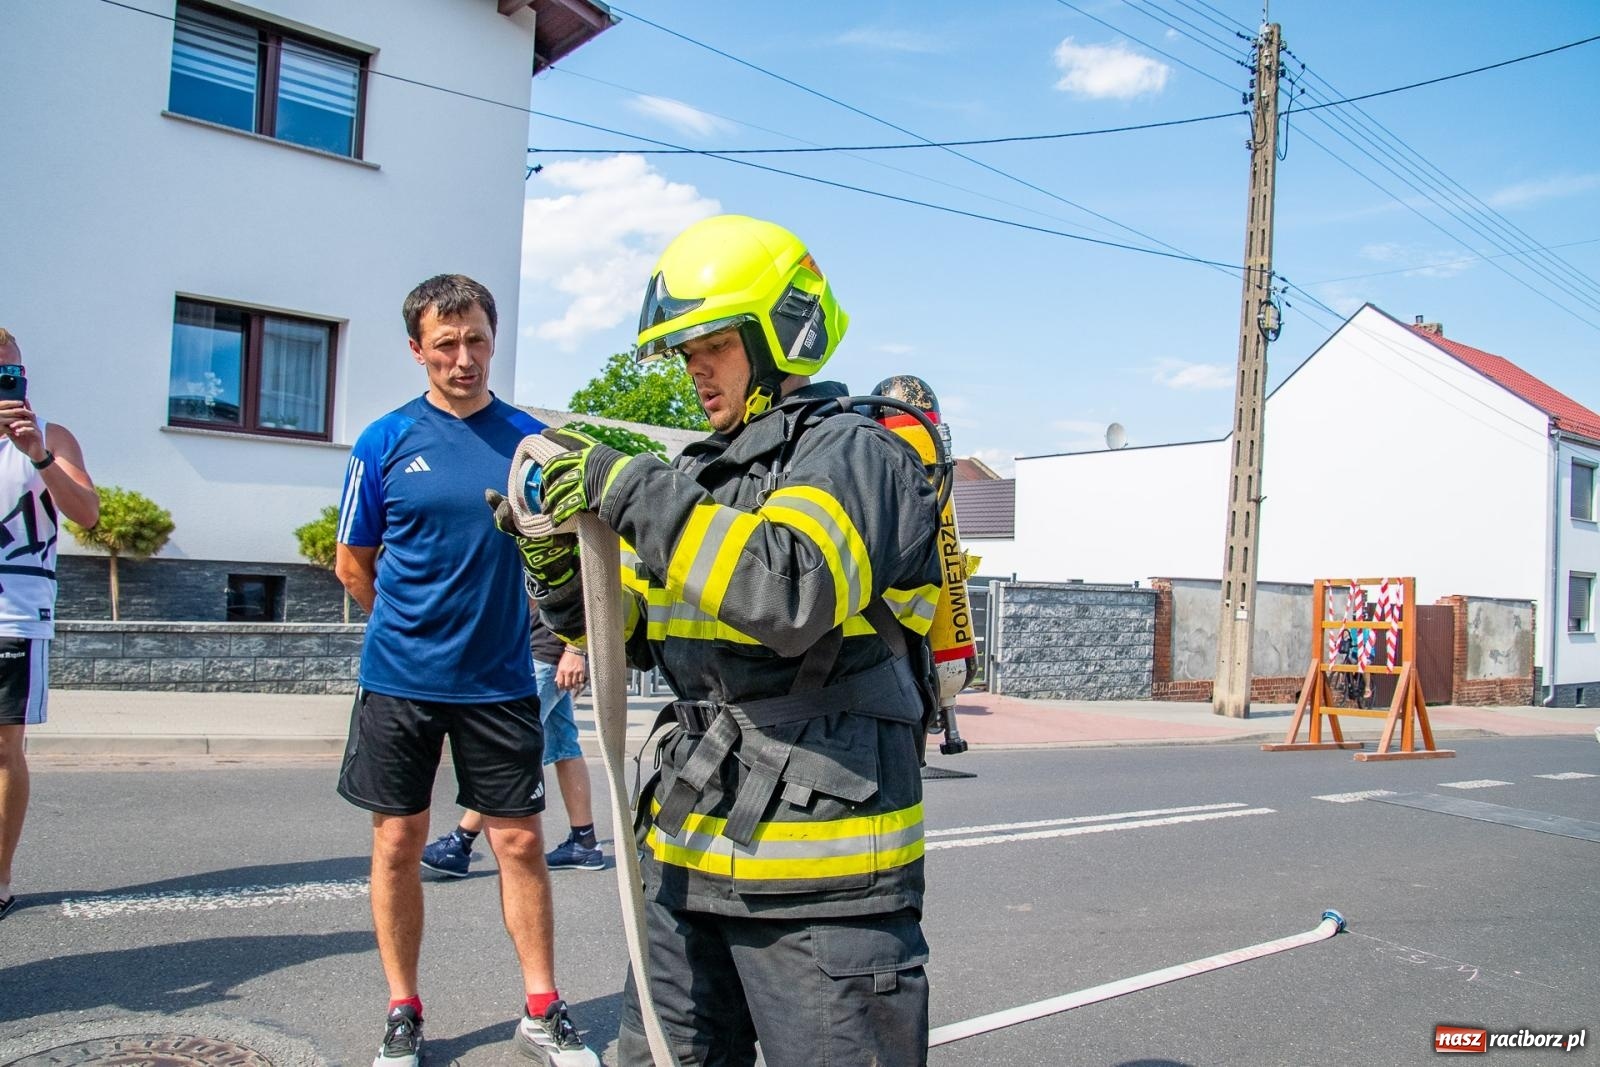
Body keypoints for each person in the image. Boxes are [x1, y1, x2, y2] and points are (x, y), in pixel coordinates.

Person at [522, 216, 943, 1066]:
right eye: (685, 351)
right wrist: (558, 567)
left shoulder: (856, 455)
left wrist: (631, 486)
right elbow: (632, 635)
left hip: (820, 885)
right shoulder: (702, 477)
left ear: (776, 332)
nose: (694, 369)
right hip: (687, 858)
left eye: (711, 342)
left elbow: (787, 589)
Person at [333, 276, 597, 1067]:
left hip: (501, 681)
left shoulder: (530, 443)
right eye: (445, 343)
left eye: (476, 339)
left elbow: (568, 556)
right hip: (401, 680)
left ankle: (543, 1009)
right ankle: (403, 1010)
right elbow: (353, 563)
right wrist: (415, 631)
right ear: (418, 349)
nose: (463, 357)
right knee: (398, 842)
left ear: (493, 339)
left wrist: (574, 636)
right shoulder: (383, 441)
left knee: (518, 842)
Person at [0, 329, 99, 924]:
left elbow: (86, 513)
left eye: (10, 373)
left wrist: (37, 452)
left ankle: (0, 875)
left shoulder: (51, 438)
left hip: (13, 615)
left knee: (4, 748)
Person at [421, 614, 603, 877]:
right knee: (565, 747)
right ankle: (584, 842)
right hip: (537, 651)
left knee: (508, 751)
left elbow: (588, 586)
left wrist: (576, 649)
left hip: (547, 654)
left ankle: (460, 843)